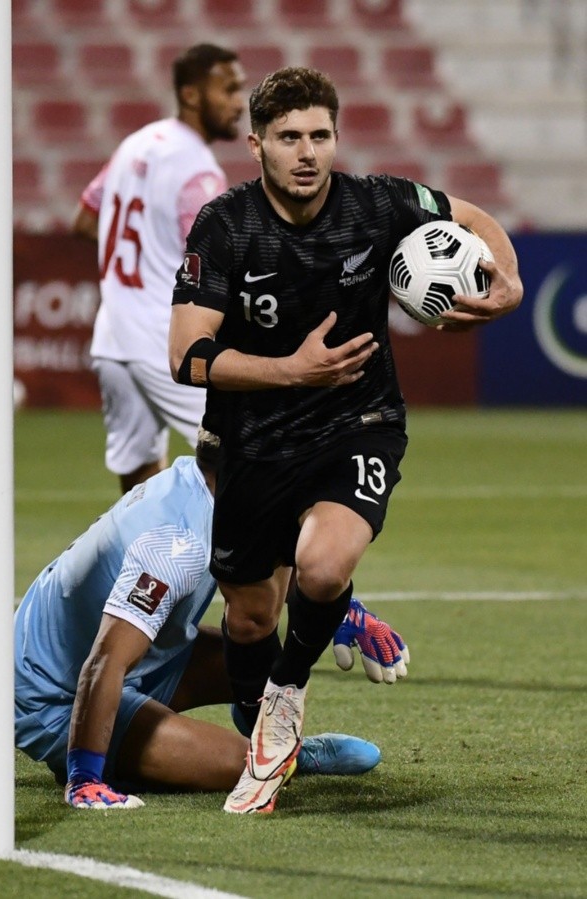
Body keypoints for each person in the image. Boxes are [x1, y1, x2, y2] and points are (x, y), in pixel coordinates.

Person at [168, 66, 524, 814]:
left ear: (336, 138)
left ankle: (285, 702)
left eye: (320, 136)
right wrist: (291, 370)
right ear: (256, 142)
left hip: (358, 423)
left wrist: (510, 280)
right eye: (290, 137)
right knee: (251, 616)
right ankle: (258, 720)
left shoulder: (377, 203)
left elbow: (470, 214)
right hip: (252, 439)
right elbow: (187, 355)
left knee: (323, 569)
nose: (307, 152)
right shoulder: (225, 226)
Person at [15, 429, 410, 813]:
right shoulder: (175, 546)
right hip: (56, 694)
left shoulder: (202, 485)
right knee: (240, 767)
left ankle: (273, 740)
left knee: (264, 659)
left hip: (142, 657)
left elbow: (273, 555)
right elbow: (104, 662)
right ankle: (88, 758)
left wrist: (343, 609)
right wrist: (85, 778)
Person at [72, 44, 246, 493]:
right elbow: (217, 263)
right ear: (191, 95)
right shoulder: (199, 171)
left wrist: (148, 257)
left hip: (112, 337)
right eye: (227, 89)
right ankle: (259, 564)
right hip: (163, 340)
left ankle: (147, 563)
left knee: (138, 478)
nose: (237, 101)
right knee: (248, 455)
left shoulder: (136, 144)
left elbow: (86, 219)